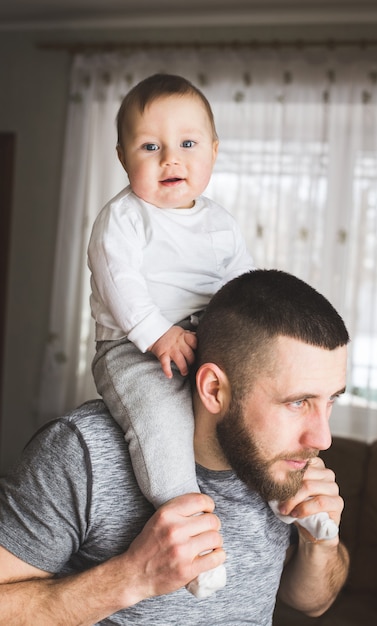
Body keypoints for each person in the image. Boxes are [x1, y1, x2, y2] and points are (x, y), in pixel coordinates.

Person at [0, 269, 350, 625]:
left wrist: (319, 544)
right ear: (214, 389)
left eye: (331, 400)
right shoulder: (84, 452)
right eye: (298, 402)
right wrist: (131, 578)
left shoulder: (280, 468)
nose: (322, 439)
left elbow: (312, 602)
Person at [87, 74, 254, 595]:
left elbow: (244, 289)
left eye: (187, 144)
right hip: (136, 349)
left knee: (257, 404)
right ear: (122, 156)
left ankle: (285, 494)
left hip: (208, 340)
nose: (170, 159)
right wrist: (158, 334)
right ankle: (193, 541)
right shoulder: (123, 218)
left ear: (214, 151)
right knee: (162, 426)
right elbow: (121, 283)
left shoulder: (221, 225)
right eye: (150, 146)